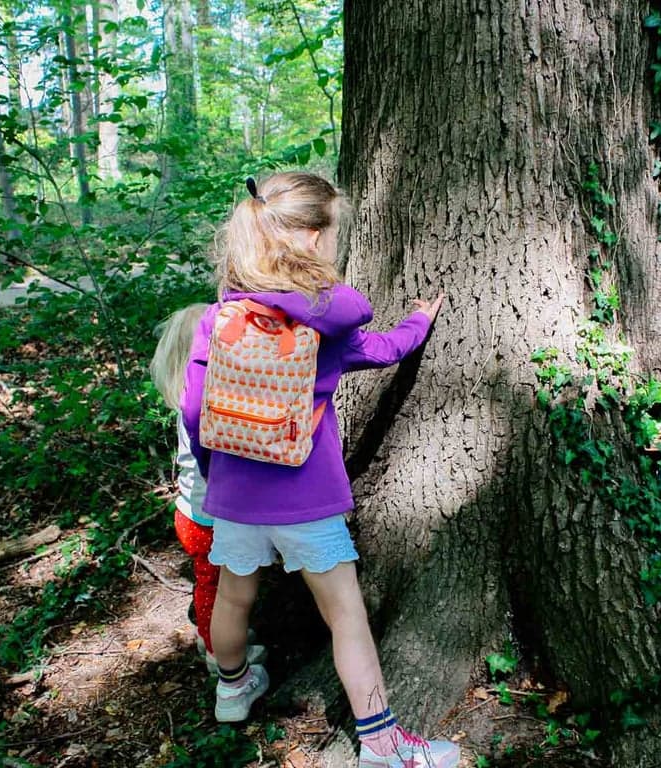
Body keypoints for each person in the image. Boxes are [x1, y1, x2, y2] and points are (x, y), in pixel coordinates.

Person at [180, 172, 458, 768]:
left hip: (233, 497)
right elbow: (377, 337)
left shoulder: (220, 319)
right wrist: (421, 322)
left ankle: (232, 687)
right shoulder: (323, 326)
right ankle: (383, 746)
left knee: (233, 600)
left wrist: (215, 475)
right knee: (346, 616)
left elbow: (193, 408)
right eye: (331, 235)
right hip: (305, 497)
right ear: (310, 240)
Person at [150, 304, 265, 674]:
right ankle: (218, 652)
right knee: (216, 587)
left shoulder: (187, 400)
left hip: (191, 512)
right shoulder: (207, 406)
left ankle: (212, 635)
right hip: (208, 519)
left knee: (211, 581)